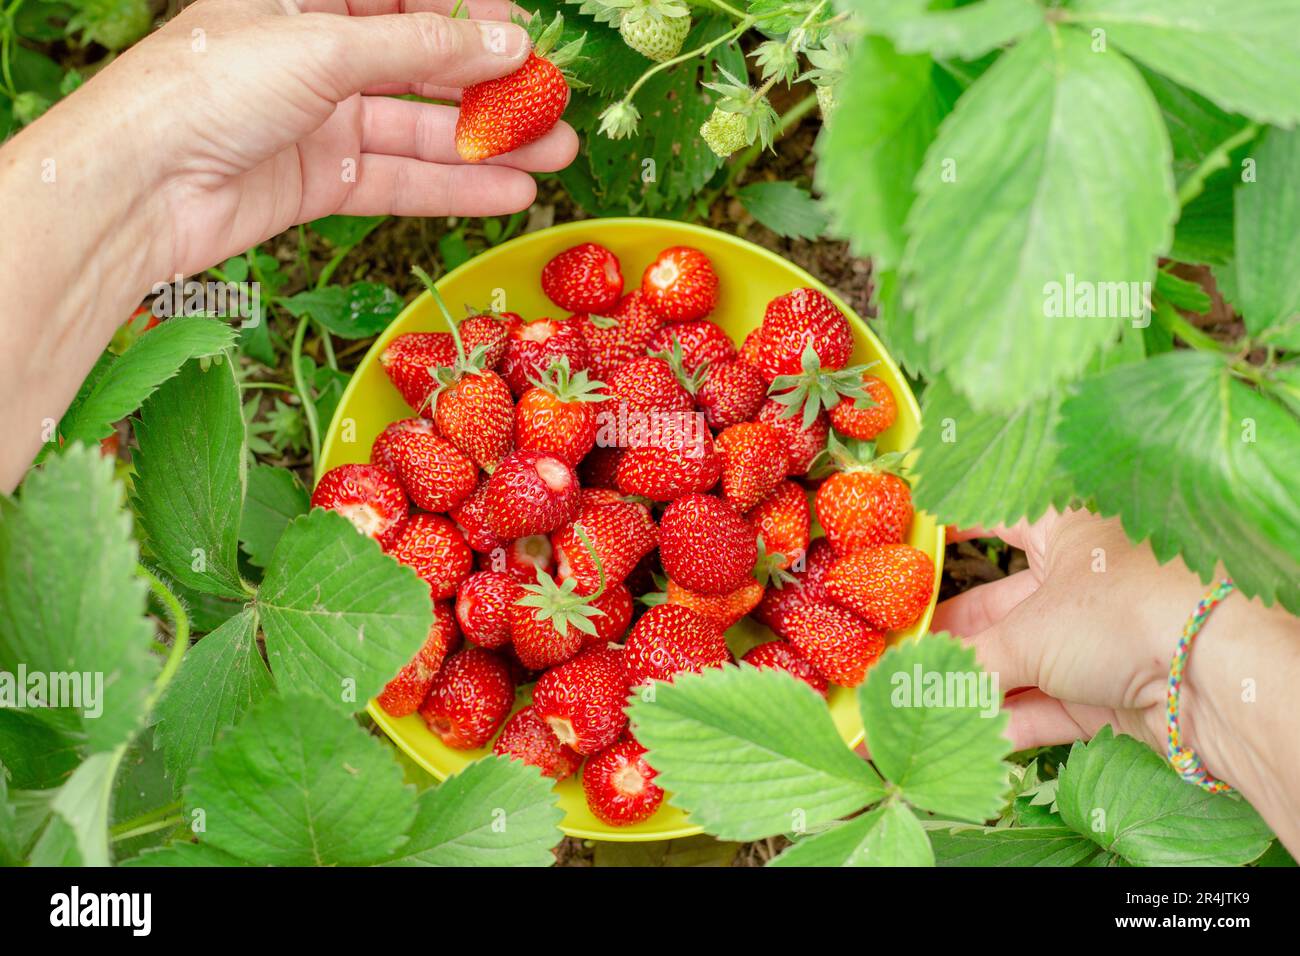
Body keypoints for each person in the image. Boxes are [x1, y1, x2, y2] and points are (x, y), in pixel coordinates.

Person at [2, 0, 1296, 858]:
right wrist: (1190, 654)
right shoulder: (602, 530)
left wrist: (138, 161)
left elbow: (655, 523)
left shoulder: (629, 496)